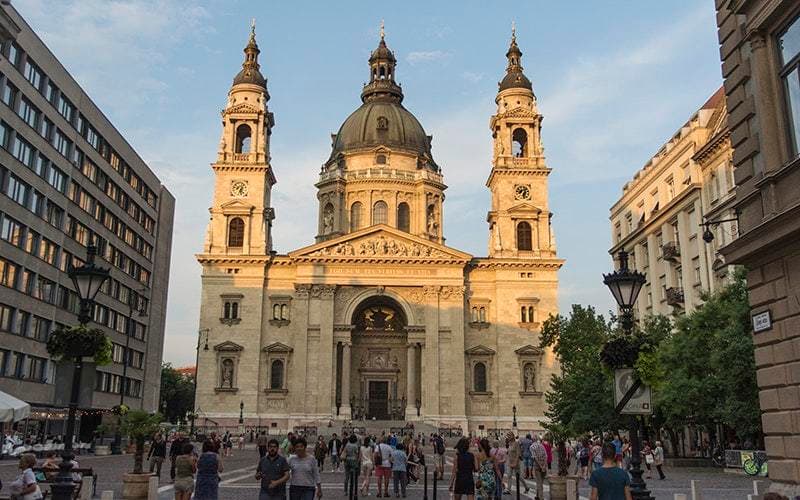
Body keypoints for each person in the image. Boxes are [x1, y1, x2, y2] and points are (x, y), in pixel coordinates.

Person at [529, 436, 548, 500]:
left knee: (539, 483)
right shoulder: (541, 445)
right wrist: (544, 465)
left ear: (532, 440)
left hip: (537, 466)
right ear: (537, 440)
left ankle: (541, 497)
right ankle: (537, 495)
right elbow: (545, 455)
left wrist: (540, 466)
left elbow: (535, 458)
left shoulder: (531, 447)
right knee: (541, 482)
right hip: (544, 465)